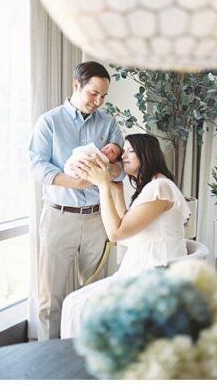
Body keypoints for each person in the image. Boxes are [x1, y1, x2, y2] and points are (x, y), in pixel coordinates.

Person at [29, 61, 125, 340]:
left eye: (103, 96)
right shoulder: (49, 121)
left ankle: (89, 358)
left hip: (98, 218)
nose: (98, 101)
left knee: (95, 297)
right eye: (93, 94)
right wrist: (80, 182)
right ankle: (48, 362)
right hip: (59, 217)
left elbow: (120, 169)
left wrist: (106, 171)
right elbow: (37, 167)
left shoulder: (108, 124)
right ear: (76, 86)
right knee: (49, 300)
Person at [59, 134, 190, 338]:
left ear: (146, 154)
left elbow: (116, 233)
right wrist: (117, 193)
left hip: (154, 276)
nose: (124, 156)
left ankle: (84, 360)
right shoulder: (152, 186)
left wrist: (103, 187)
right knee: (73, 303)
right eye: (123, 152)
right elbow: (127, 231)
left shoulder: (160, 188)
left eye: (130, 151)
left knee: (79, 306)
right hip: (141, 270)